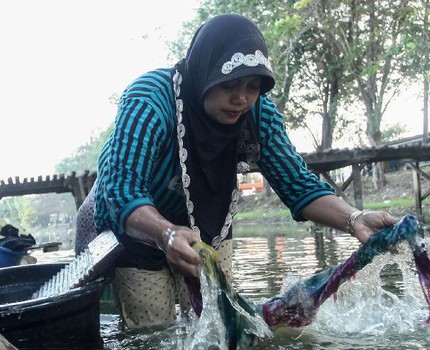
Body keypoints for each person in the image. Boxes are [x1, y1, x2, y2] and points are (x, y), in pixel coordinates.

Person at [77, 14, 397, 329]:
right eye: (228, 84)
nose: (240, 98)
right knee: (151, 336)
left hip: (208, 229)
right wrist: (166, 233)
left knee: (216, 332)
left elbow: (299, 187)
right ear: (204, 73)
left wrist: (355, 219)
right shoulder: (149, 100)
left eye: (252, 86)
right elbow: (122, 191)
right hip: (136, 229)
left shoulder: (260, 115)